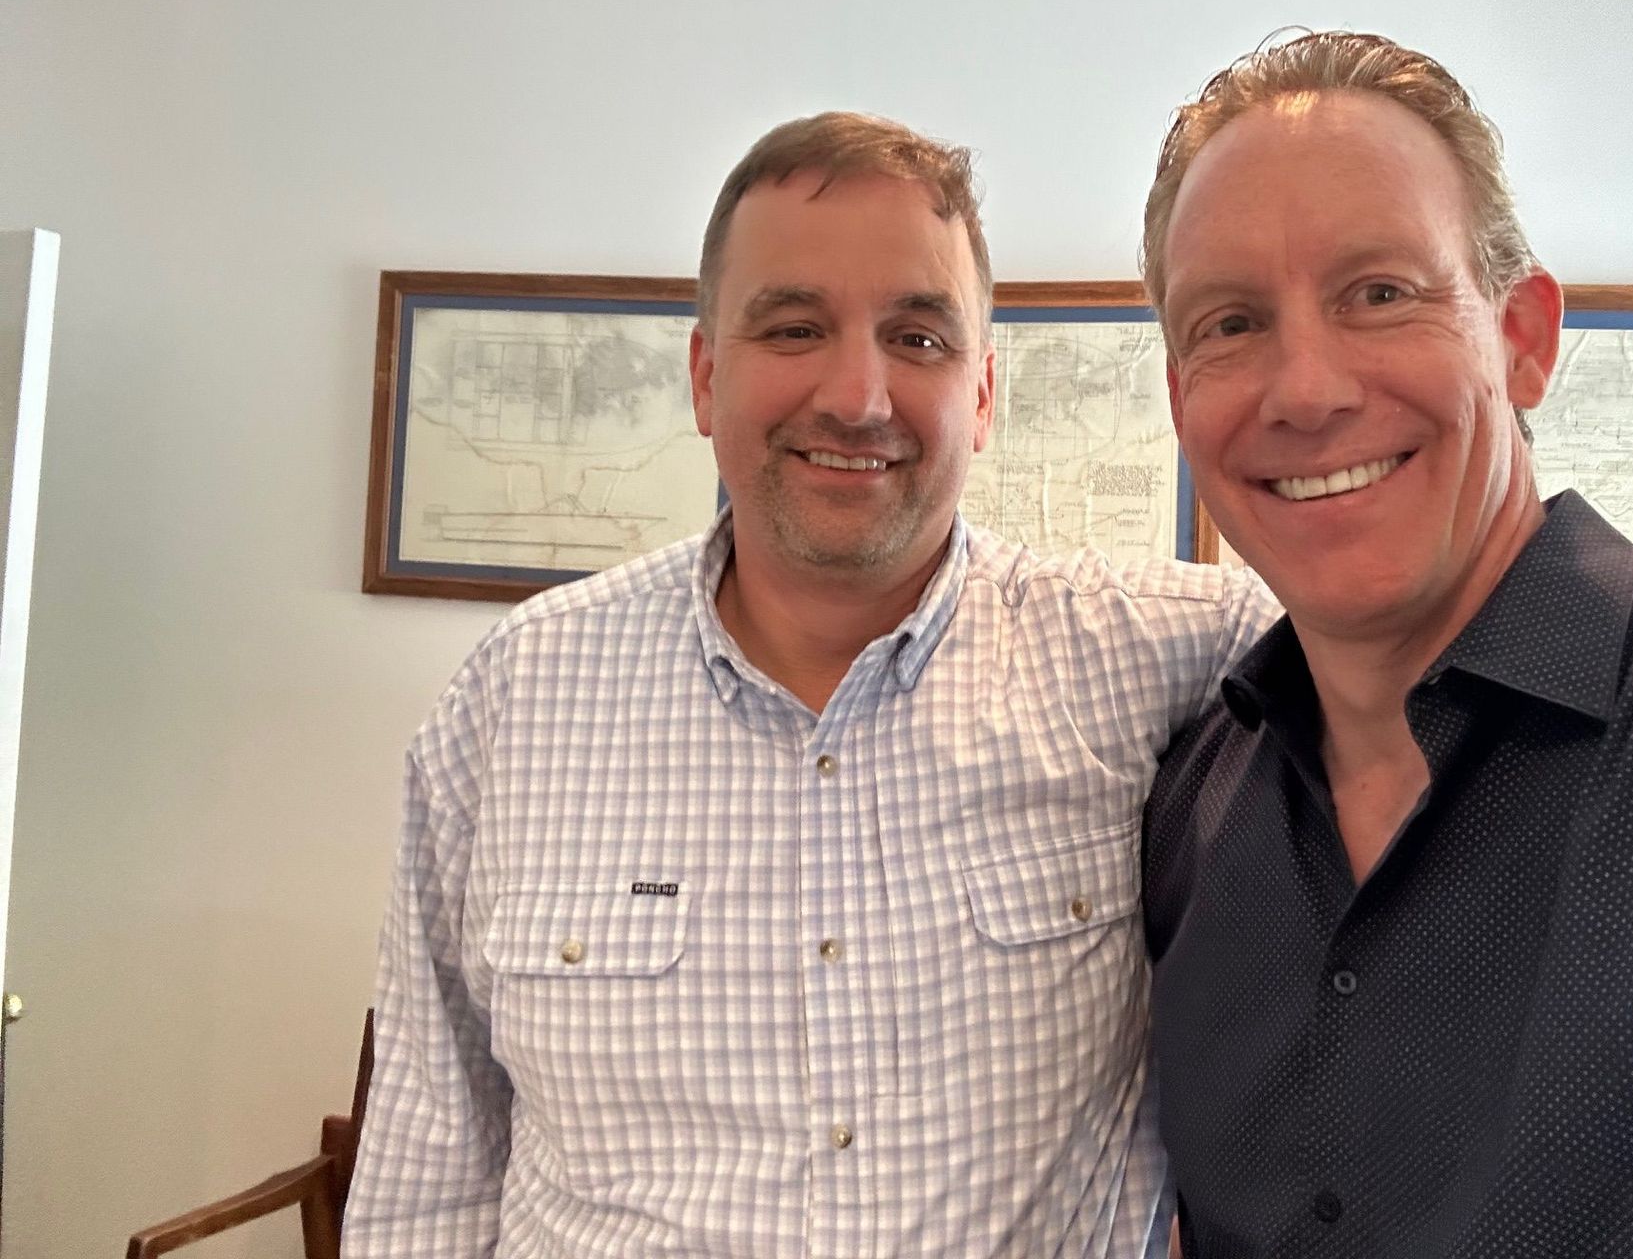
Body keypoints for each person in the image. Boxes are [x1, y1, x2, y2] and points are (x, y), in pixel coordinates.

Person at [341, 112, 1279, 1258]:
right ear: (704, 374)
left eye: (920, 339)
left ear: (984, 394)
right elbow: (428, 1171)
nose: (857, 395)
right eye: (793, 327)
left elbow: (1427, 662)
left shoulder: (1177, 656)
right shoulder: (509, 702)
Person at [1140, 31, 1633, 1257]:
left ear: (1525, 339)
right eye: (1231, 323)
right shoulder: (1188, 801)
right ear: (1184, 401)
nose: (1304, 388)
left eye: (1380, 293)